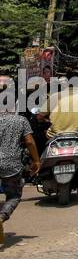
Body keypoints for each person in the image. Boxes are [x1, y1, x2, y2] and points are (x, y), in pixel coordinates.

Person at [0, 102, 40, 246]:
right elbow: (29, 141)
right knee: (14, 196)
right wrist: (36, 161)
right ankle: (1, 217)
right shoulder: (21, 121)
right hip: (11, 165)